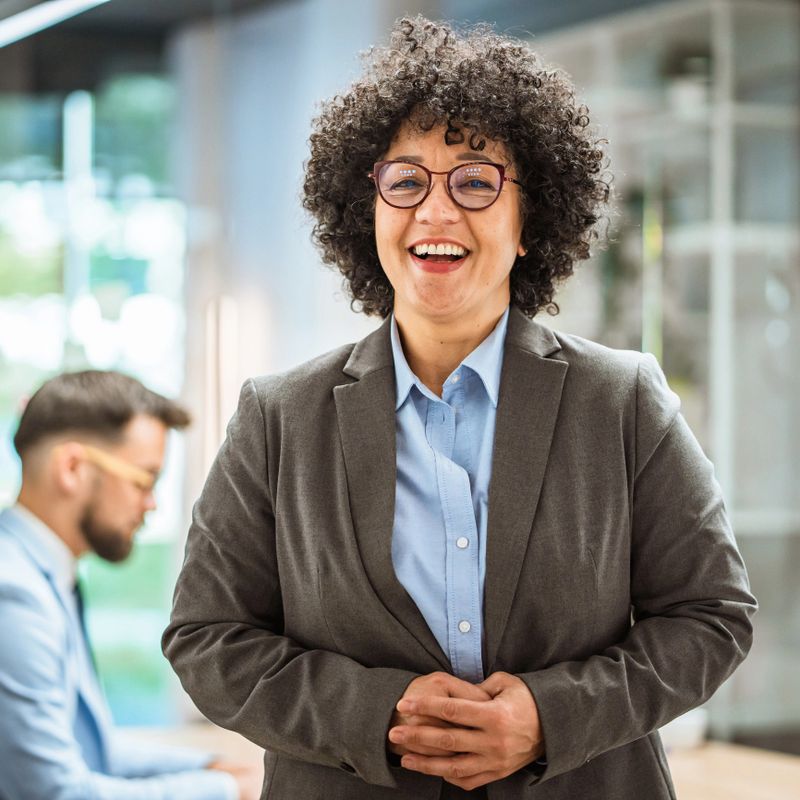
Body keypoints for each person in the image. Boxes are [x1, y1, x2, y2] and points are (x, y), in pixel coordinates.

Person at [163, 16, 757, 800]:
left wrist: (550, 716)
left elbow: (712, 616)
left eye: (475, 182)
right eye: (405, 181)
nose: (436, 213)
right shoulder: (280, 418)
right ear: (366, 208)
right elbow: (207, 638)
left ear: (528, 221)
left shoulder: (622, 401)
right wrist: (380, 713)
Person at [0, 370, 261, 800]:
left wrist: (210, 766)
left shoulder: (42, 575)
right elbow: (55, 792)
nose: (151, 503)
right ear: (71, 468)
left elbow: (90, 749)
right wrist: (225, 790)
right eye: (144, 479)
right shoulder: (15, 597)